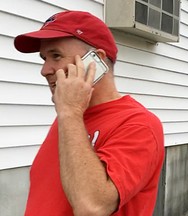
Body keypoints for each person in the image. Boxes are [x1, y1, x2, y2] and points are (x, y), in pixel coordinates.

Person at [14, 10, 165, 216]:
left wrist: (70, 113)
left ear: (96, 61)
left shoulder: (138, 125)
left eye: (56, 56)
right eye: (44, 58)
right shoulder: (70, 117)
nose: (45, 70)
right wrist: (70, 113)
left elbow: (92, 207)